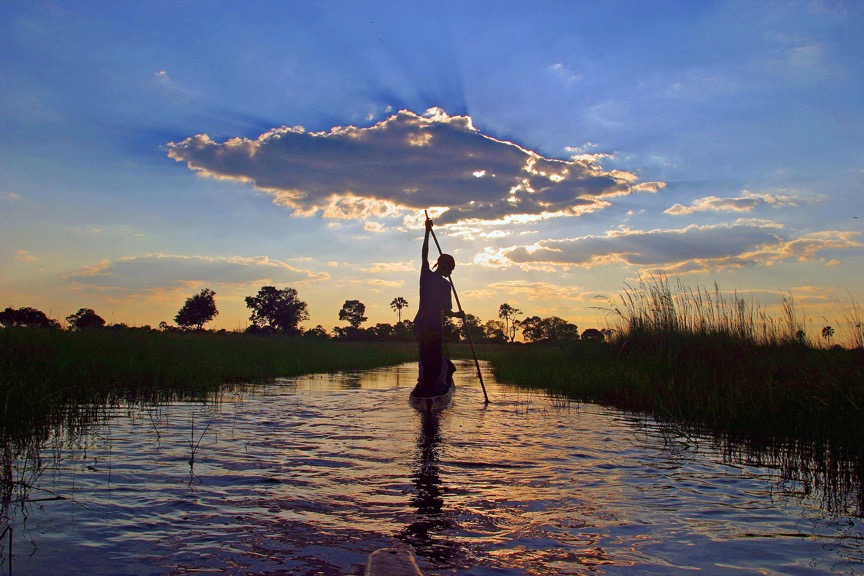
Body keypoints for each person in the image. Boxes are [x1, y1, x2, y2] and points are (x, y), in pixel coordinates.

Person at [413, 217, 464, 397]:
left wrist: (459, 314)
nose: (450, 273)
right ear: (444, 266)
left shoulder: (442, 284)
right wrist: (427, 231)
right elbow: (424, 254)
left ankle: (428, 387)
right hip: (430, 327)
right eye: (450, 269)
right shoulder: (427, 275)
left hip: (424, 325)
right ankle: (429, 390)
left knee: (429, 360)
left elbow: (447, 311)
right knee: (431, 360)